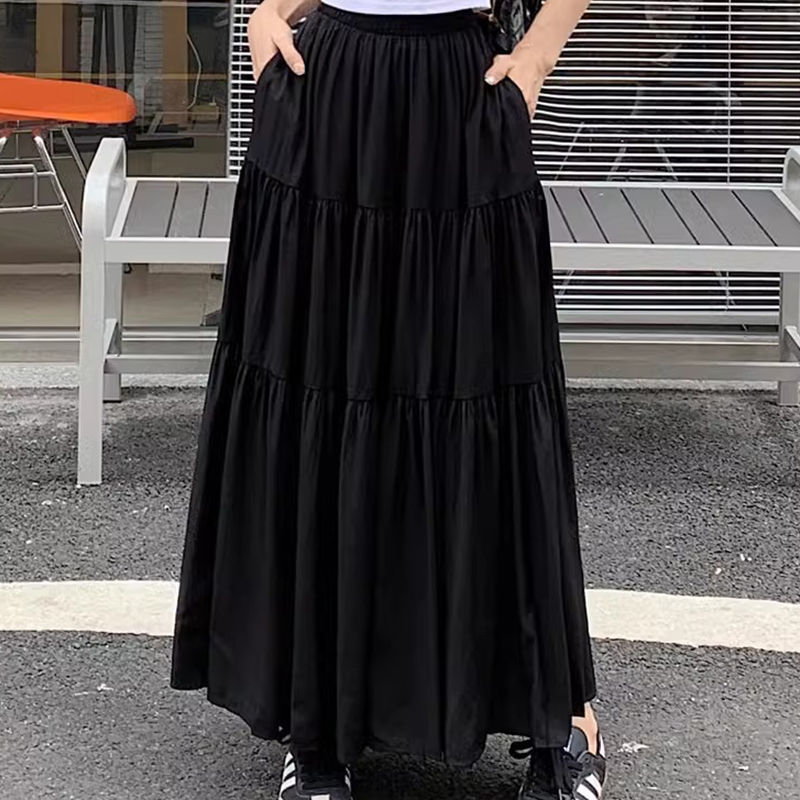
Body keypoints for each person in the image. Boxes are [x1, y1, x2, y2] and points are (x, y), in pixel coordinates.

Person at [170, 0, 606, 797]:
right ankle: (317, 716)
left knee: (490, 384)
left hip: (462, 87)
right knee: (328, 388)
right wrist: (268, 14)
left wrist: (541, 53)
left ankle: (559, 709)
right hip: (327, 83)